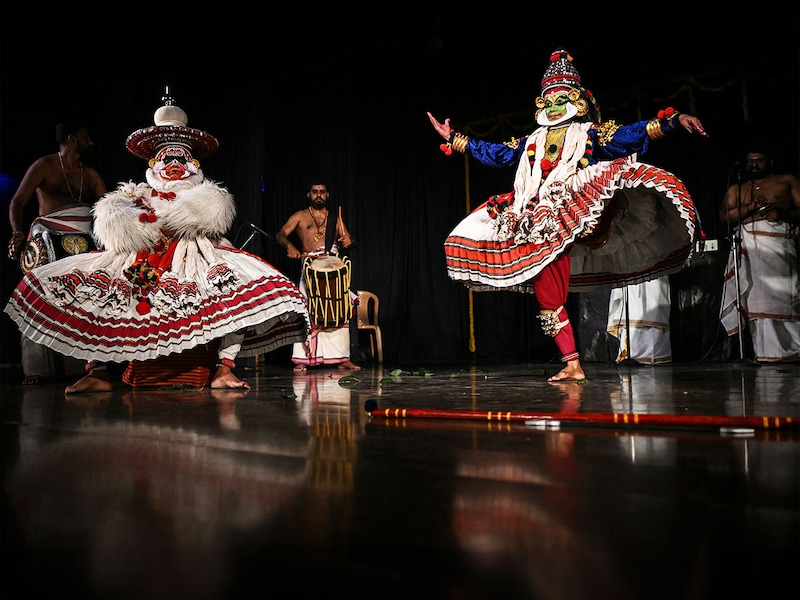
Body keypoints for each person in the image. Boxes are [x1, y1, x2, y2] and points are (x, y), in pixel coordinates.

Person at [427, 47, 707, 382]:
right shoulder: (531, 140)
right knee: (546, 290)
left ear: (577, 101)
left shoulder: (588, 133)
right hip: (532, 215)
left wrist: (673, 122)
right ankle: (572, 363)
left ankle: (573, 363)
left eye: (562, 99)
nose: (554, 106)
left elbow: (629, 134)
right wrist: (455, 138)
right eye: (548, 100)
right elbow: (497, 153)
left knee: (549, 281)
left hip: (571, 208)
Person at [4, 92, 311, 393]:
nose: (174, 164)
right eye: (167, 157)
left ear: (193, 164)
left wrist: (182, 217)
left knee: (234, 291)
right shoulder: (137, 194)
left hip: (194, 254)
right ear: (154, 163)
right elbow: (114, 217)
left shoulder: (205, 197)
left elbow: (206, 218)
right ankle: (96, 371)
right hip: (141, 256)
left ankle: (224, 367)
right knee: (98, 295)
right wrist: (132, 218)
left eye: (181, 157)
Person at [6, 122, 107, 384]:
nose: (92, 142)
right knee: (42, 297)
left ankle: (87, 368)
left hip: (85, 242)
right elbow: (17, 201)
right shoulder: (44, 166)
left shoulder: (91, 174)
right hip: (48, 239)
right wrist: (17, 233)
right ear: (71, 139)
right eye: (87, 137)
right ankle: (38, 368)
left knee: (89, 299)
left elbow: (109, 207)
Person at [719, 141, 800, 362]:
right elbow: (725, 216)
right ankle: (767, 354)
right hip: (750, 251)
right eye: (750, 161)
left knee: (785, 297)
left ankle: (793, 351)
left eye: (759, 160)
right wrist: (750, 208)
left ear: (770, 162)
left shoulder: (786, 181)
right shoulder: (737, 188)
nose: (754, 165)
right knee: (756, 300)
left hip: (779, 249)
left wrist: (782, 215)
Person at [276, 181, 360, 372]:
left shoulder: (334, 218)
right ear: (309, 194)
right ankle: (302, 358)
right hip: (310, 266)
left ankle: (342, 357)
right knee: (307, 310)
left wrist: (350, 240)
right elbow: (280, 234)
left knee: (339, 308)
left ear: (327, 195)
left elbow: (350, 241)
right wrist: (290, 246)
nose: (319, 195)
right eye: (315, 192)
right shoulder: (300, 216)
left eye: (322, 192)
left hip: (334, 266)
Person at [606, 276, 673, 364]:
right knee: (632, 313)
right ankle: (631, 355)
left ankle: (655, 356)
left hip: (655, 274)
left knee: (655, 311)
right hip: (632, 277)